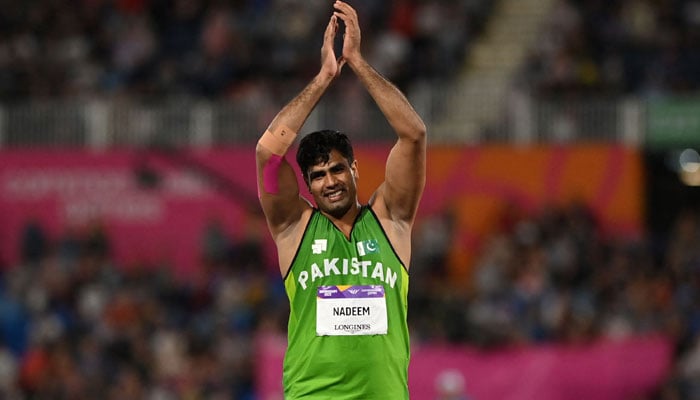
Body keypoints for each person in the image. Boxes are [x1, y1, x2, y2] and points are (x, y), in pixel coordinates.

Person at [255, 1, 426, 398]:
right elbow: (268, 154)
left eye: (336, 169)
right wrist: (325, 76)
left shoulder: (391, 220)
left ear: (354, 170)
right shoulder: (292, 227)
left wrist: (357, 62)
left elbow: (414, 134)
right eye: (316, 176)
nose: (329, 181)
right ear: (308, 186)